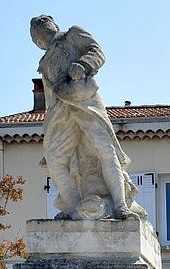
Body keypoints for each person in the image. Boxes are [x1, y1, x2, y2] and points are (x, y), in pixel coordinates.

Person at [30, 15, 135, 220]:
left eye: (42, 23)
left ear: (54, 24)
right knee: (54, 160)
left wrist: (84, 65)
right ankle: (74, 208)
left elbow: (98, 51)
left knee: (106, 149)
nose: (39, 30)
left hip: (85, 102)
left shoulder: (73, 35)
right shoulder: (44, 62)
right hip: (60, 113)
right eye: (35, 31)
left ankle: (121, 206)